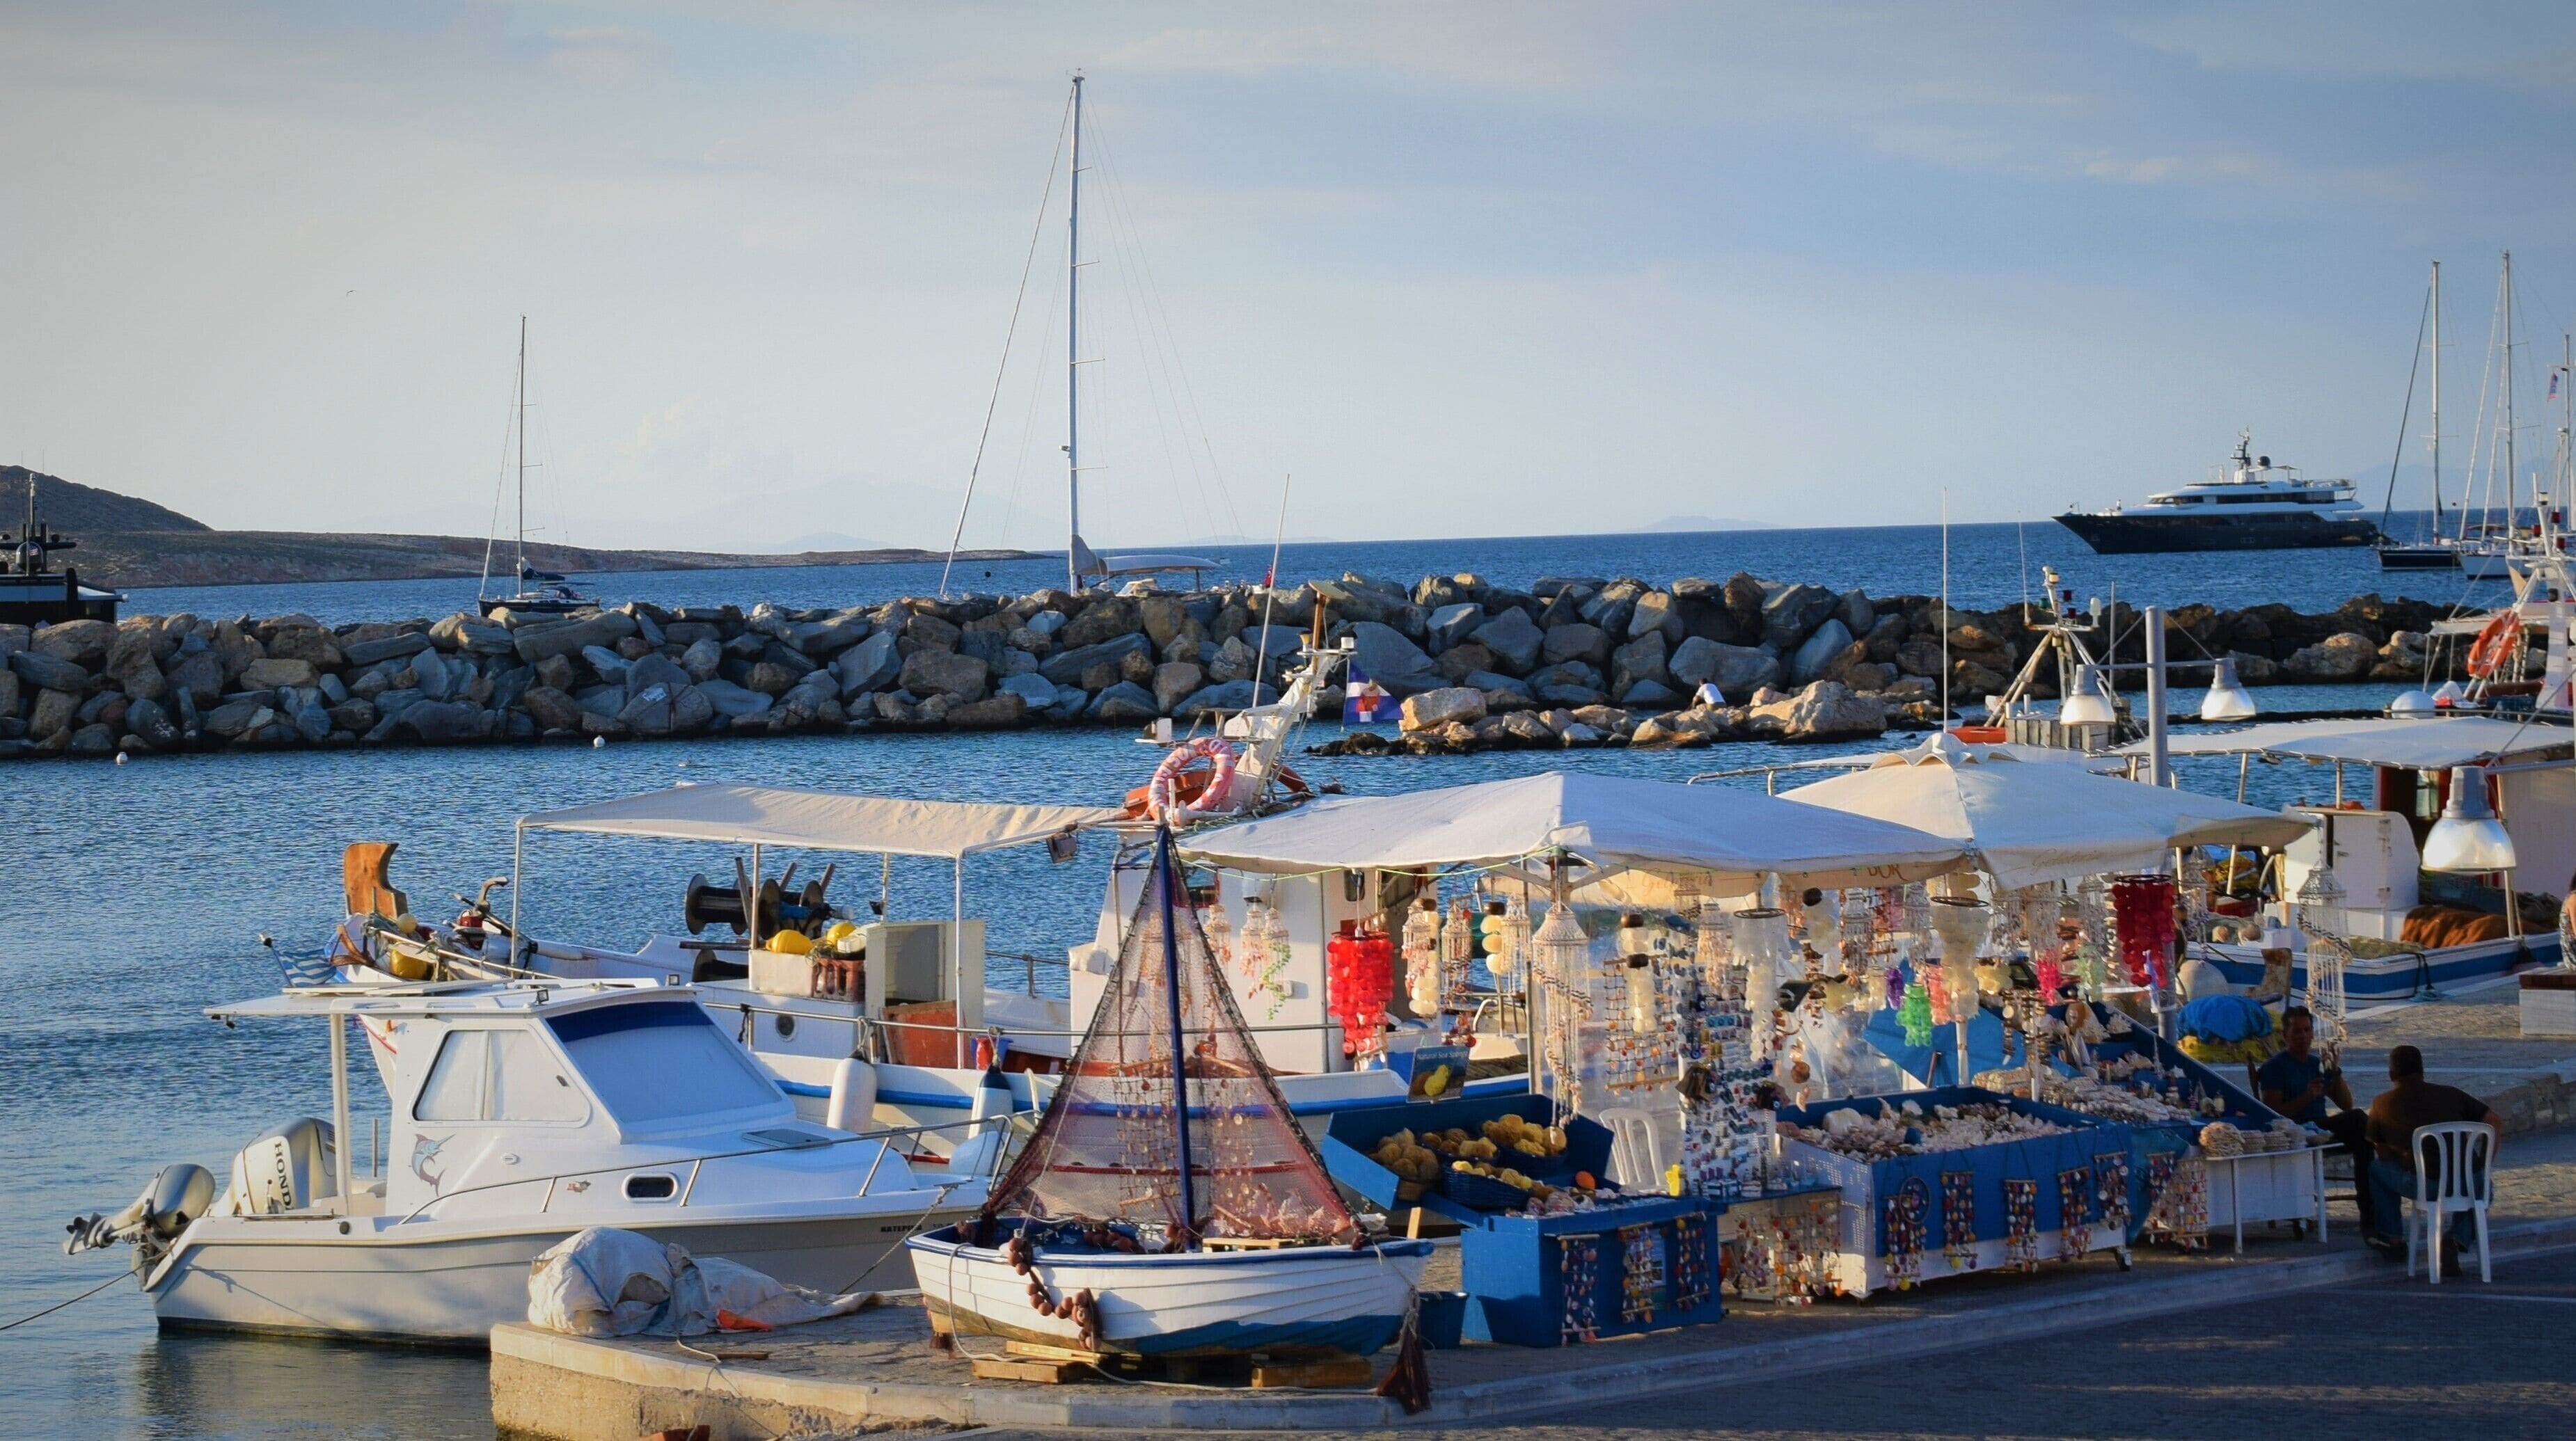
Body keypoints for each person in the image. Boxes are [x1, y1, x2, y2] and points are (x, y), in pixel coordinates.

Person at [2364, 1044, 2496, 1273]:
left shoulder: (2381, 1104)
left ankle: (2393, 1239)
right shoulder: (2452, 1094)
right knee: (2484, 1187)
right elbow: (2495, 1121)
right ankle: (2454, 1240)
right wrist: (2485, 1164)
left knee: (2377, 1169)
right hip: (2469, 1181)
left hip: (2427, 1186)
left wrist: (2404, 1153)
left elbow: (2383, 1154)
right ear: (2423, 1072)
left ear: (2391, 1075)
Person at [2254, 1007, 2371, 1233]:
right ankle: (2370, 1210)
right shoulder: (2275, 1067)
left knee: (2362, 1133)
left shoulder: (2316, 1063)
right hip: (2295, 1130)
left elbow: (2346, 1104)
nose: (2303, 1036)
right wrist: (2307, 1096)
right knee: (2359, 1126)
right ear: (2285, 1035)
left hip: (2320, 1127)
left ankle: (2370, 1210)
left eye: (2307, 1030)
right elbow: (2272, 1114)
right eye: (2297, 1031)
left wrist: (2335, 1072)